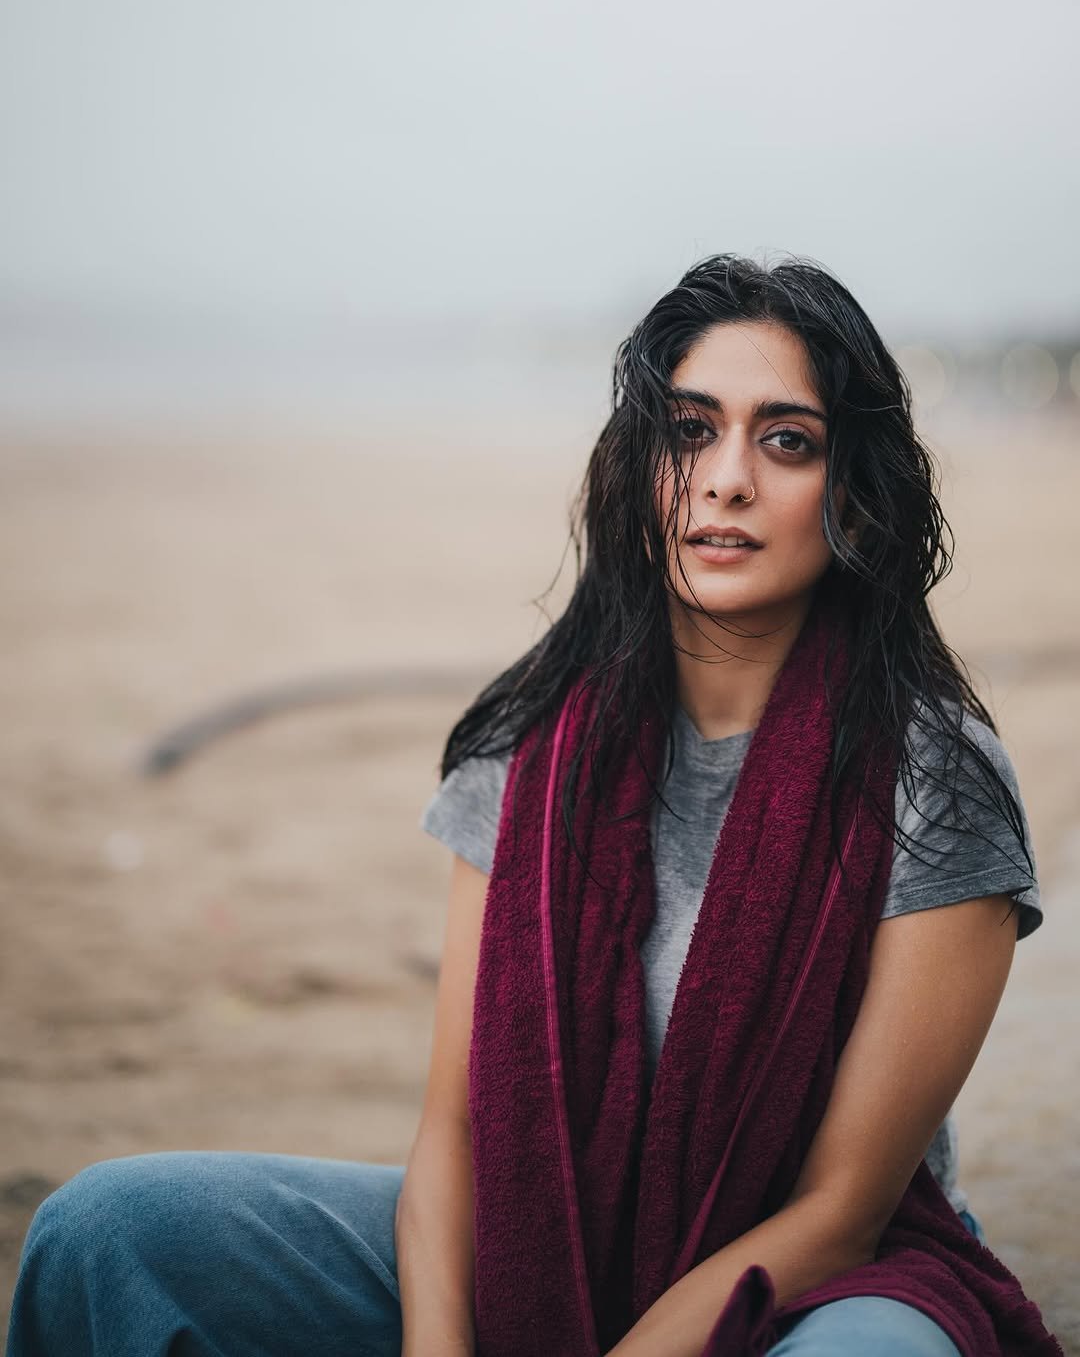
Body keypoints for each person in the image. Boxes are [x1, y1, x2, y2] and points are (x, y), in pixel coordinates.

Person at [5, 254, 1056, 1357]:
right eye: (689, 429)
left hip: (808, 1285)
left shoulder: (933, 776)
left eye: (784, 438)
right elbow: (454, 1138)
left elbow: (840, 1212)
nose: (727, 477)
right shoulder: (530, 744)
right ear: (638, 462)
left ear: (850, 487)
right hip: (541, 1244)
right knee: (107, 1230)